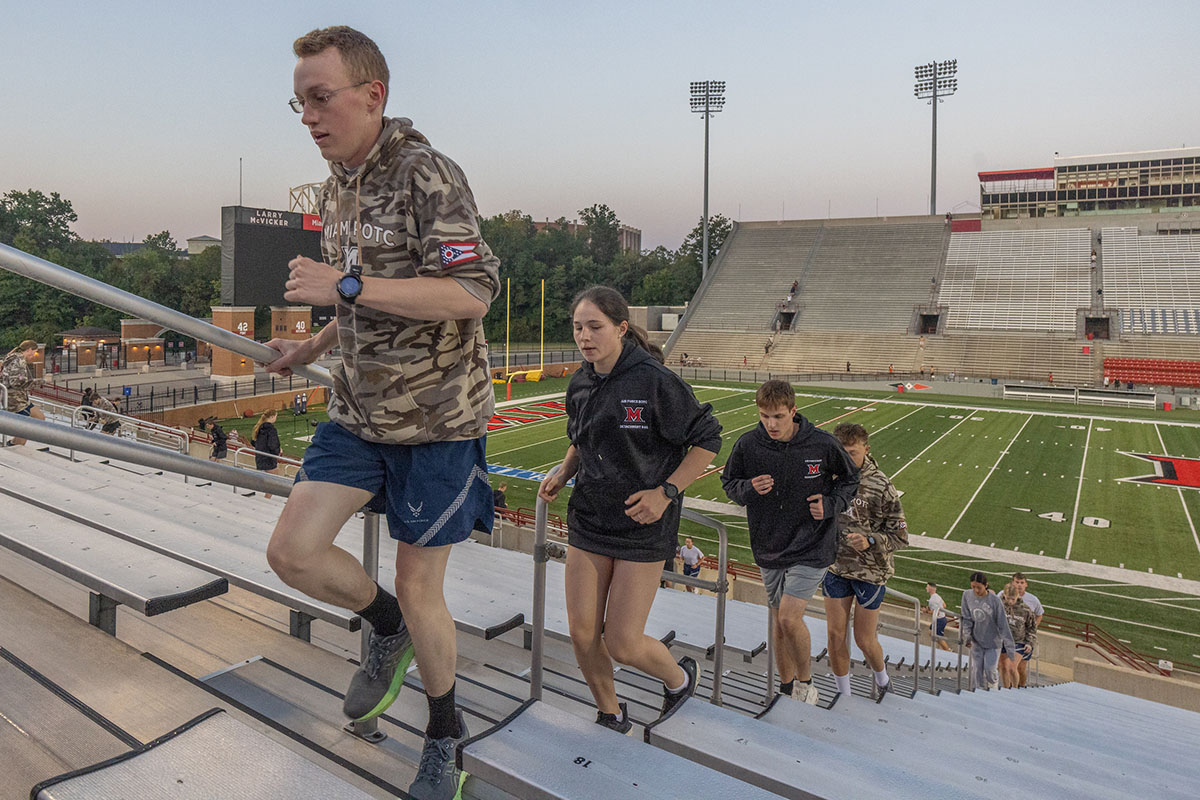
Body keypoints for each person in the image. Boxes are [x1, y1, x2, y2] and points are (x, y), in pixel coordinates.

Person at [263, 25, 502, 800]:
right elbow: (358, 287)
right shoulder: (338, 182)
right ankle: (385, 625)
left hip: (436, 421)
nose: (308, 116)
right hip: (357, 413)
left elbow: (470, 295)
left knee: (421, 580)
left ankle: (445, 734)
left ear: (374, 95)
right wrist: (315, 344)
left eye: (320, 98)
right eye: (299, 102)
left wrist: (347, 290)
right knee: (292, 552)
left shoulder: (428, 173)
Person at [538, 286, 721, 736]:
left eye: (595, 327)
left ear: (621, 328)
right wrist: (564, 472)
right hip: (591, 518)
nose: (585, 336)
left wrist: (666, 492)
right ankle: (611, 712)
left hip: (643, 526)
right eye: (578, 327)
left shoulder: (654, 380)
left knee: (621, 641)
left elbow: (708, 439)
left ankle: (679, 679)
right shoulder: (580, 381)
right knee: (582, 633)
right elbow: (580, 438)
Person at [722, 380, 860, 704]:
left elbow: (851, 478)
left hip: (813, 545)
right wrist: (748, 489)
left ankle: (806, 684)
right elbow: (729, 482)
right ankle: (784, 690)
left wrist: (830, 504)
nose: (771, 424)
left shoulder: (822, 444)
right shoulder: (748, 444)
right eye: (764, 416)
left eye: (778, 416)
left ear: (793, 412)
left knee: (788, 617)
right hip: (769, 545)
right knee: (778, 624)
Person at [822, 423, 908, 702]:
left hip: (870, 573)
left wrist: (870, 540)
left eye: (853, 453)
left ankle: (882, 680)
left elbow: (901, 536)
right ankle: (843, 696)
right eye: (841, 453)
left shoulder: (882, 486)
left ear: (866, 450)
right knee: (835, 636)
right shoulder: (829, 477)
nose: (847, 459)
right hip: (836, 567)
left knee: (864, 640)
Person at [960, 571, 1015, 691]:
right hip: (976, 640)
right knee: (976, 669)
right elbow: (966, 617)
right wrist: (967, 636)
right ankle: (975, 691)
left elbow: (1002, 624)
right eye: (973, 587)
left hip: (993, 642)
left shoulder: (995, 601)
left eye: (979, 587)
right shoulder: (966, 595)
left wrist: (1010, 648)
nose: (976, 590)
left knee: (990, 669)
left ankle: (993, 686)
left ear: (986, 585)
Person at [1, 340, 45, 446]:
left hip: (18, 398)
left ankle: (13, 442)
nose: (34, 355)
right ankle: (16, 446)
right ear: (29, 350)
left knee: (40, 417)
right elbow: (15, 381)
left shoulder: (13, 357)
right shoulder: (19, 360)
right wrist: (34, 382)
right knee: (26, 428)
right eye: (34, 352)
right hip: (15, 399)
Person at [999, 583, 1037, 689]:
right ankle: (1007, 688)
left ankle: (1015, 688)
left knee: (1012, 667)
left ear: (1017, 597)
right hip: (1002, 640)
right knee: (1004, 667)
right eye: (1008, 598)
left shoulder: (1025, 610)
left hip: (1019, 641)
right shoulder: (999, 606)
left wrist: (1029, 643)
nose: (1010, 601)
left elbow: (1032, 628)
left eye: (1013, 599)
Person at [1011, 572, 1043, 687]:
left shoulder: (1032, 600)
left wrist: (1033, 629)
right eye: (1017, 582)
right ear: (1012, 583)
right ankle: (1009, 687)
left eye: (1022, 583)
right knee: (1006, 666)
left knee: (1020, 667)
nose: (1019, 585)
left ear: (1026, 584)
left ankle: (1021, 686)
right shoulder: (1003, 595)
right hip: (1008, 637)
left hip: (1024, 639)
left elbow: (1040, 614)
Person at [252, 410, 283, 499]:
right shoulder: (271, 429)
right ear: (272, 416)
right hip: (268, 458)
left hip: (261, 457)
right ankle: (267, 499)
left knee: (275, 475)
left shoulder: (259, 428)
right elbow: (272, 444)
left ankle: (268, 497)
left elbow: (254, 442)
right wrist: (278, 450)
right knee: (273, 481)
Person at [924, 582, 952, 651]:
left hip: (939, 620)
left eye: (927, 587)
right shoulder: (937, 596)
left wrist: (926, 611)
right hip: (941, 619)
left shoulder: (932, 600)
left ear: (931, 588)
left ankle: (948, 650)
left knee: (938, 637)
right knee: (931, 632)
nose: (926, 588)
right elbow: (944, 605)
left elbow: (937, 612)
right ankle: (943, 648)